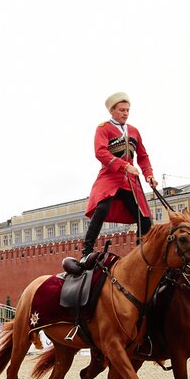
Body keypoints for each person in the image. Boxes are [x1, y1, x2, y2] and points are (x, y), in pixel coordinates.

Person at [81, 92, 159, 260]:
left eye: (127, 110)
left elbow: (143, 156)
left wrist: (149, 175)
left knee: (144, 220)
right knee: (101, 209)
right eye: (122, 110)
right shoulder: (103, 128)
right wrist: (124, 166)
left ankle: (140, 256)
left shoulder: (134, 131)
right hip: (109, 177)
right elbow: (100, 152)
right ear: (112, 111)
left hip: (130, 182)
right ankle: (86, 252)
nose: (125, 113)